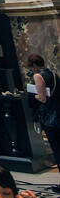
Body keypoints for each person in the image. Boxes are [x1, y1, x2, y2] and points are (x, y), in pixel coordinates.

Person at [27, 53, 60, 182]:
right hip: (58, 113)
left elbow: (42, 98)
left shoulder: (38, 76)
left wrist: (31, 94)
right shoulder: (53, 74)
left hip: (50, 118)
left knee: (56, 149)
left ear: (34, 65)